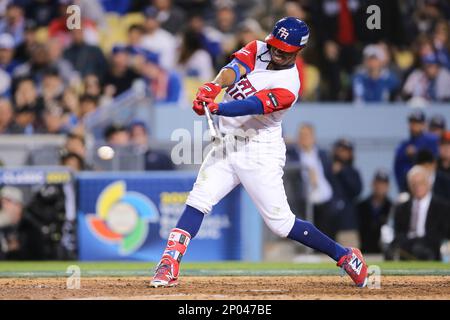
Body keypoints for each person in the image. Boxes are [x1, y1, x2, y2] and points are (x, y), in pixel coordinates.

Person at [150, 17, 368, 288]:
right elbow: (233, 69)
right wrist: (213, 87)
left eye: (283, 49)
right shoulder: (258, 48)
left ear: (297, 51)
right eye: (275, 45)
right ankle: (169, 262)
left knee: (281, 224)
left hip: (260, 150)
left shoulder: (291, 85)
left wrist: (216, 108)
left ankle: (345, 255)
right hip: (228, 143)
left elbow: (252, 105)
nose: (275, 51)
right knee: (198, 200)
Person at [286, 124, 336, 239]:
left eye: (307, 135)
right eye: (301, 135)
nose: (304, 138)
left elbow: (330, 176)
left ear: (313, 137)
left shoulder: (323, 154)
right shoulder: (293, 154)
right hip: (306, 203)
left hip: (326, 201)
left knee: (328, 237)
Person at [390, 165, 449, 260]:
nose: (418, 187)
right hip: (407, 245)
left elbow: (443, 233)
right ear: (409, 186)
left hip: (430, 246)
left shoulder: (442, 207)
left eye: (421, 183)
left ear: (429, 183)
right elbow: (398, 232)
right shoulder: (402, 208)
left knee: (420, 249)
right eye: (414, 184)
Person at [394, 110, 439, 192]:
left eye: (417, 123)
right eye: (412, 122)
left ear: (424, 124)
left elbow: (438, 164)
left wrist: (417, 153)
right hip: (410, 188)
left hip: (434, 188)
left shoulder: (432, 141)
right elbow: (398, 170)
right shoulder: (403, 146)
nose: (414, 126)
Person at [356, 170, 392, 253]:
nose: (380, 187)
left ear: (388, 186)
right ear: (373, 184)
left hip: (384, 251)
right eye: (378, 183)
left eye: (383, 184)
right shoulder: (361, 206)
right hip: (364, 251)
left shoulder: (392, 207)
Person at [331, 138, 362, 235]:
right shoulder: (327, 168)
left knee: (349, 248)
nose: (344, 154)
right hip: (328, 224)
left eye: (347, 151)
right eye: (341, 150)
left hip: (347, 225)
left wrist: (342, 172)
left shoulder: (353, 172)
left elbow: (357, 190)